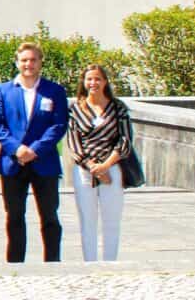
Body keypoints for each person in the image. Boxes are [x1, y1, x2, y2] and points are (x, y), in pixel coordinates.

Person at [0, 41, 70, 263]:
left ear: (40, 62)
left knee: (49, 217)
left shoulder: (54, 91)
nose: (29, 64)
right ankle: (15, 264)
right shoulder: (3, 90)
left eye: (33, 60)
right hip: (12, 163)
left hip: (44, 162)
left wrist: (34, 150)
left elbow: (59, 124)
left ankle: (52, 262)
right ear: (17, 63)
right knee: (14, 217)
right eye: (24, 60)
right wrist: (17, 149)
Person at [66, 64, 133, 262]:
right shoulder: (76, 109)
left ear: (105, 82)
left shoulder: (118, 107)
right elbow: (73, 144)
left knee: (111, 220)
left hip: (112, 169)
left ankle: (110, 263)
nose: (93, 83)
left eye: (97, 79)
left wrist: (106, 166)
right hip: (85, 172)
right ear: (84, 82)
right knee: (88, 220)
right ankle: (90, 263)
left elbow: (125, 140)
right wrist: (93, 168)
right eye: (89, 79)